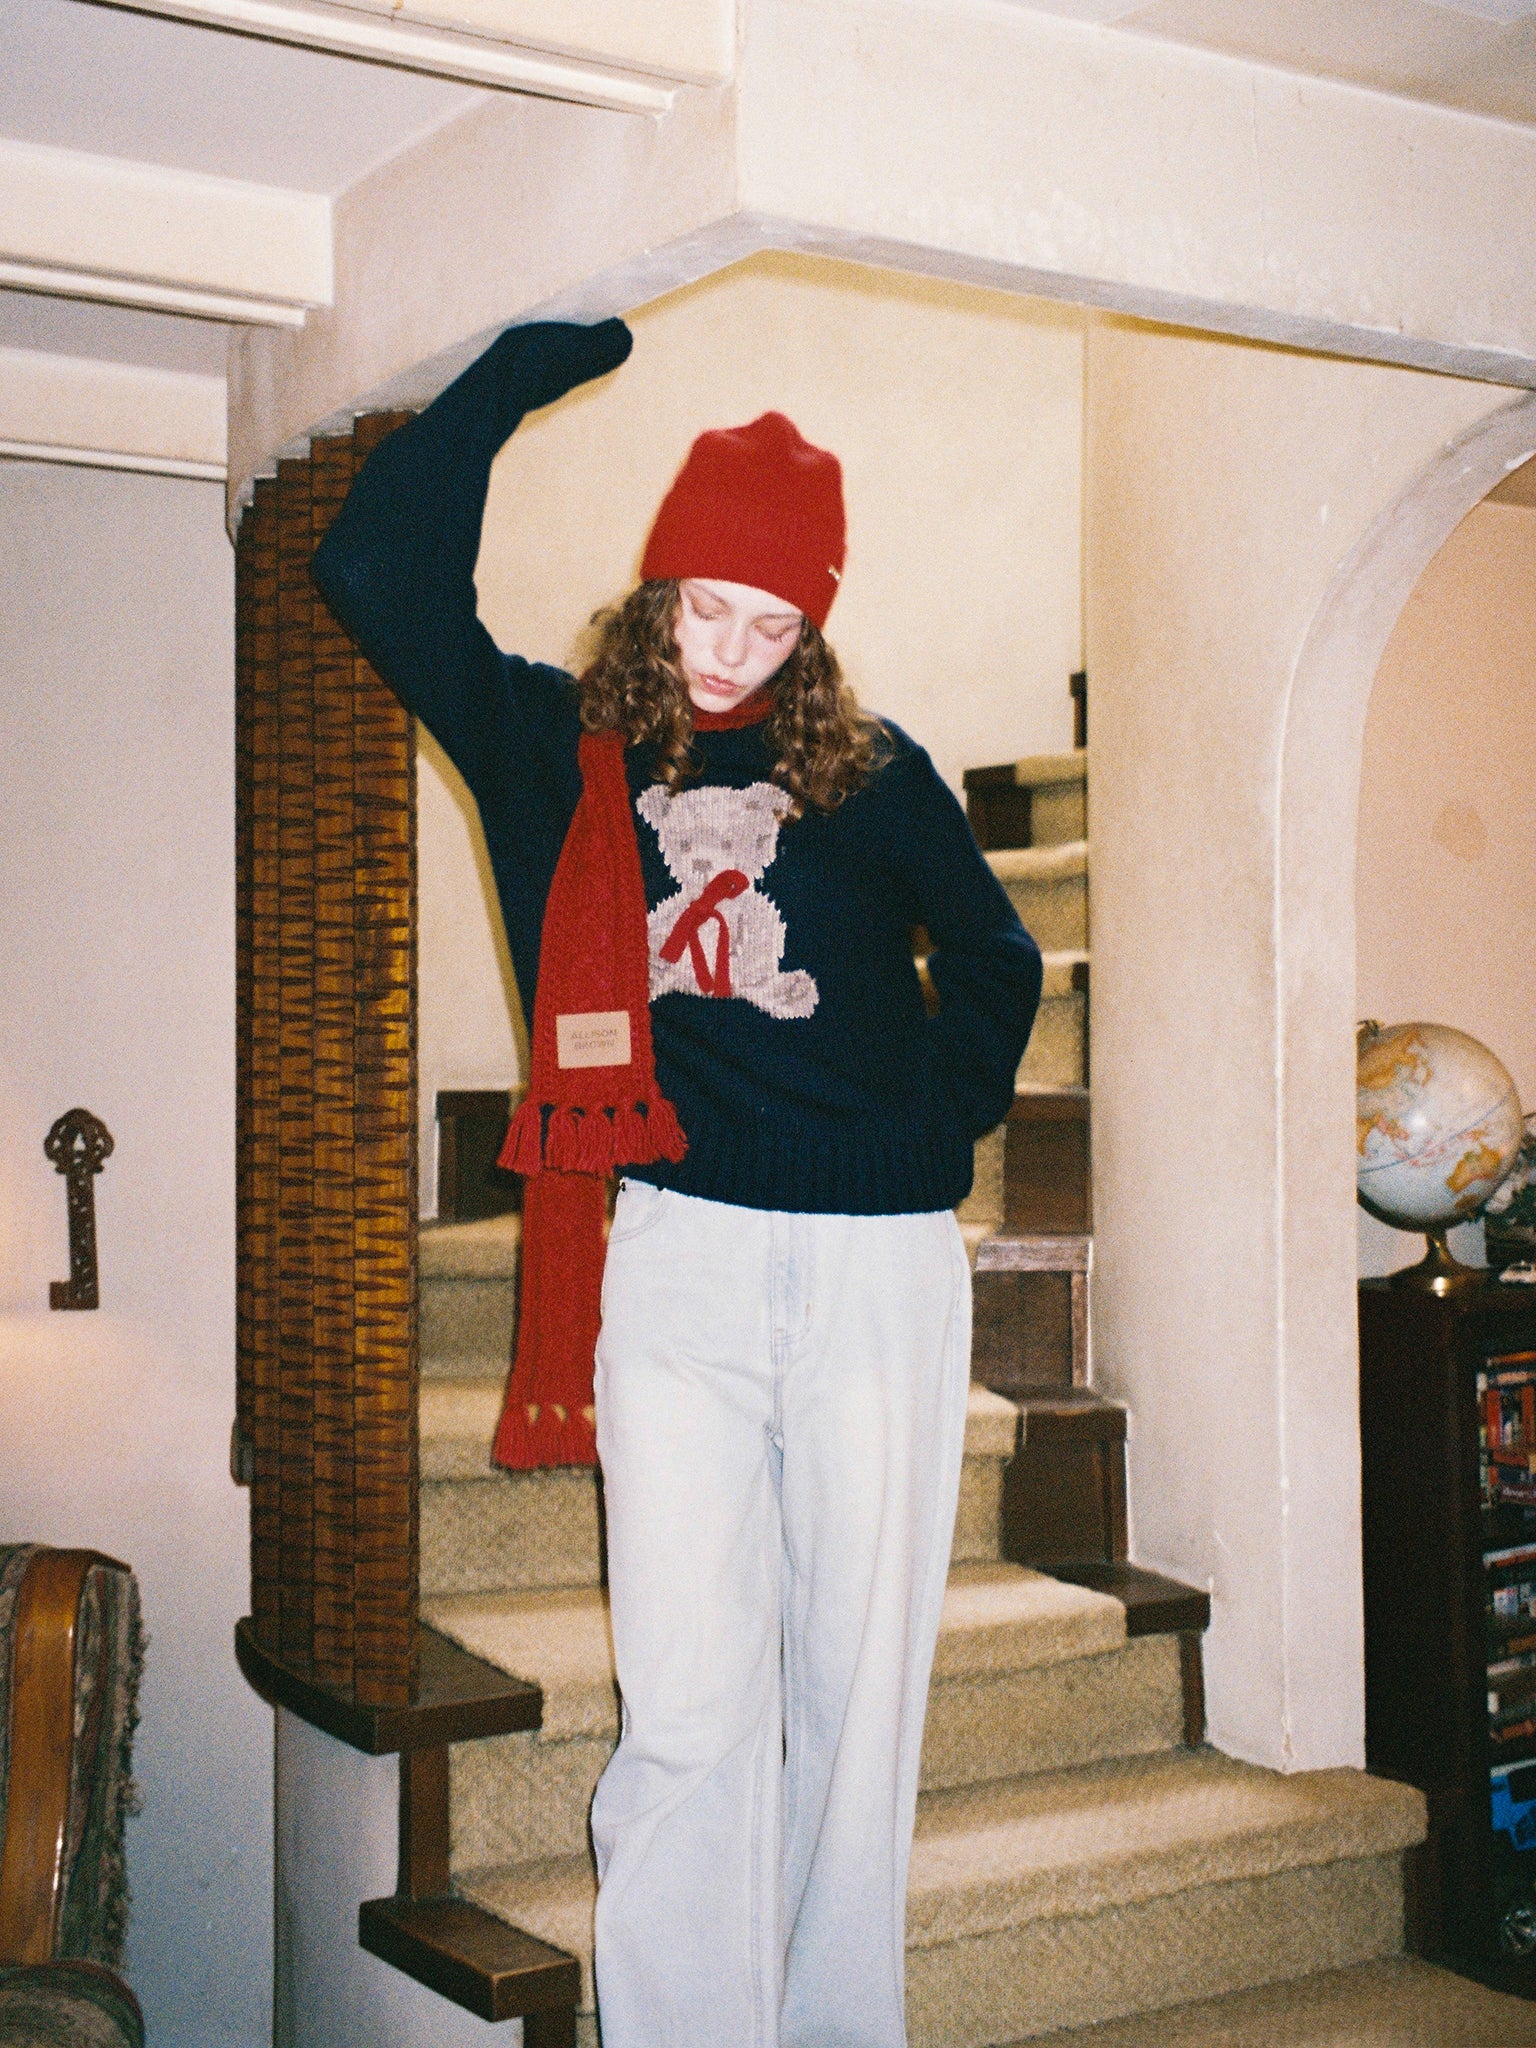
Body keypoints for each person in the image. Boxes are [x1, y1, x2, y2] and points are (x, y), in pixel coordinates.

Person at [313, 318, 1041, 2048]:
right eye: (706, 607)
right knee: (691, 1704)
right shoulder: (546, 744)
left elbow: (997, 959)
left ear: (816, 628)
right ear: (656, 592)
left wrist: (927, 1136)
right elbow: (372, 567)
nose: (731, 653)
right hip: (681, 1258)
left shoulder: (873, 773)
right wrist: (510, 378)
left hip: (876, 1273)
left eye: (772, 624)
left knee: (856, 1700)